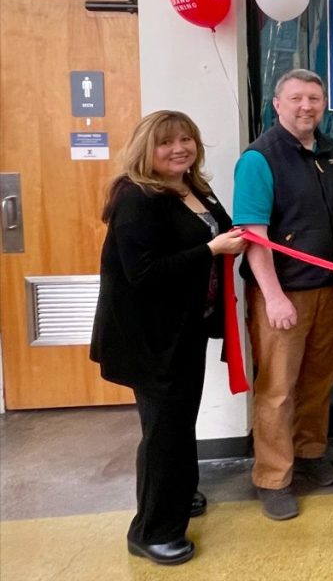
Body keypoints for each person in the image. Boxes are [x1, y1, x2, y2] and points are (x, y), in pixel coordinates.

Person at [90, 111, 246, 566]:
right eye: (166, 143)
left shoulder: (193, 187)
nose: (179, 149)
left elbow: (221, 226)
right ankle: (152, 530)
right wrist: (211, 251)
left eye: (187, 140)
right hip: (149, 338)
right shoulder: (135, 197)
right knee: (164, 431)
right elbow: (144, 273)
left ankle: (178, 493)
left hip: (185, 330)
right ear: (146, 149)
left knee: (177, 425)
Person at [234, 69, 333, 520]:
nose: (307, 107)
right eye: (298, 99)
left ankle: (309, 455)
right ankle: (273, 477)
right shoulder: (259, 158)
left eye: (315, 99)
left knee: (319, 380)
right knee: (278, 389)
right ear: (278, 104)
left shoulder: (329, 151)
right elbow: (253, 236)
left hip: (329, 289)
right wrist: (274, 296)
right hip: (282, 293)